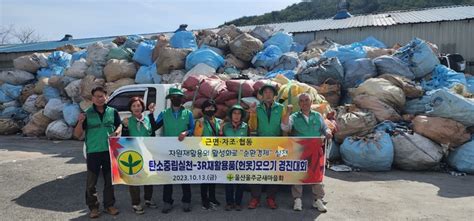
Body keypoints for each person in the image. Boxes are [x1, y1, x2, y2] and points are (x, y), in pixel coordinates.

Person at [73, 86, 122, 219]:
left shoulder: (113, 112)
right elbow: (77, 135)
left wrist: (117, 131)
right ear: (92, 98)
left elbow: (119, 124)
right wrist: (80, 122)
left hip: (109, 151)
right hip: (93, 152)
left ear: (106, 97)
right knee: (91, 183)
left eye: (102, 96)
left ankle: (109, 205)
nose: (99, 99)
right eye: (97, 96)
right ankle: (93, 207)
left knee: (109, 181)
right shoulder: (87, 114)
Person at [281, 93, 332, 213]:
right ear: (299, 104)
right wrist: (287, 112)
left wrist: (328, 132)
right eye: (302, 101)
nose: (304, 102)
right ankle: (297, 199)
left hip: (315, 150)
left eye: (307, 100)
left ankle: (318, 200)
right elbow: (285, 127)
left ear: (311, 102)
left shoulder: (318, 116)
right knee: (298, 175)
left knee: (316, 175)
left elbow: (324, 128)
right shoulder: (294, 116)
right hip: (299, 150)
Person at [148, 87, 194, 213]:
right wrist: (151, 113)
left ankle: (186, 201)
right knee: (168, 178)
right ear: (170, 99)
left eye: (178, 97)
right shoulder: (164, 113)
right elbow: (154, 127)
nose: (176, 99)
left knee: (185, 176)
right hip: (168, 150)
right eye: (173, 97)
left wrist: (186, 132)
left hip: (183, 149)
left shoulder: (188, 114)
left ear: (182, 99)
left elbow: (193, 129)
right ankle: (167, 202)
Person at [247, 84, 286, 210]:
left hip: (277, 143)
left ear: (274, 95)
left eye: (270, 92)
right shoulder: (257, 108)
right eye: (265, 92)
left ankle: (271, 198)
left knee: (275, 172)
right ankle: (255, 198)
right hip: (260, 143)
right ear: (262, 96)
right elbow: (252, 127)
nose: (268, 94)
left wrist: (284, 144)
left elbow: (285, 126)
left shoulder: (281, 108)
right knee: (257, 171)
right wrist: (252, 114)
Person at [122, 97, 158, 215]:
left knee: (149, 177)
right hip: (133, 154)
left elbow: (153, 132)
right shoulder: (127, 121)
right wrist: (125, 127)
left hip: (148, 152)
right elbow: (124, 138)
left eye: (138, 105)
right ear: (130, 109)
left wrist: (152, 114)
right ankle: (136, 203)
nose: (136, 108)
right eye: (134, 106)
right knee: (134, 179)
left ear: (142, 107)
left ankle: (148, 199)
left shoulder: (147, 119)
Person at [219, 105, 250, 211]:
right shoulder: (225, 126)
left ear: (241, 116)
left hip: (241, 159)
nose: (236, 116)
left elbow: (250, 142)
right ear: (231, 115)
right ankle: (229, 202)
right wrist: (221, 130)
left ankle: (238, 202)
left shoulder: (246, 127)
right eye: (234, 113)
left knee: (240, 182)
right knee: (229, 181)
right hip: (228, 159)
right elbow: (220, 142)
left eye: (239, 113)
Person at [193, 99, 221, 210]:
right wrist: (199, 127)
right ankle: (204, 199)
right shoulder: (200, 122)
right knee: (204, 178)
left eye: (212, 107)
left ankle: (213, 197)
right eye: (207, 108)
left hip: (215, 153)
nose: (210, 109)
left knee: (213, 177)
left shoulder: (219, 121)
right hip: (204, 153)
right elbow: (197, 137)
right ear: (204, 110)